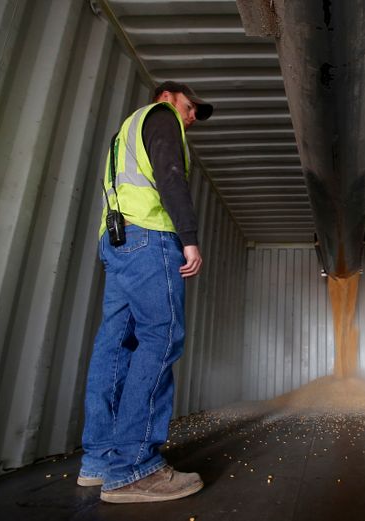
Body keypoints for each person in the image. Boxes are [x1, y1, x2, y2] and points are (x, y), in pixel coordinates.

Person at [77, 81, 214, 503]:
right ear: (169, 97)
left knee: (114, 346)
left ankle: (99, 461)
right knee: (162, 336)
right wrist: (189, 237)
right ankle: (135, 467)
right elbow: (170, 175)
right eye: (191, 108)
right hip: (149, 238)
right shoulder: (161, 118)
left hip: (117, 242)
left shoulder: (124, 134)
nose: (192, 117)